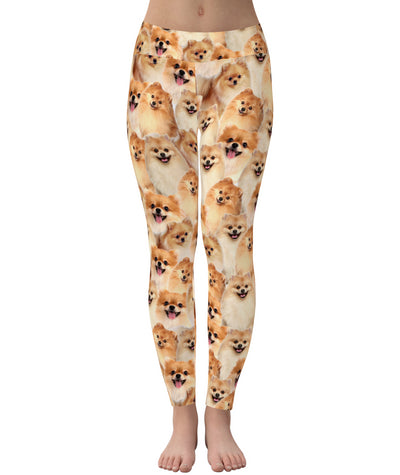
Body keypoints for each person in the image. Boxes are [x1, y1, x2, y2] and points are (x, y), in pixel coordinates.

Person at [126, 0, 273, 471]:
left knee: (231, 249)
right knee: (169, 249)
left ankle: (220, 412)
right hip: (159, 54)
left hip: (240, 55)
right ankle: (182, 413)